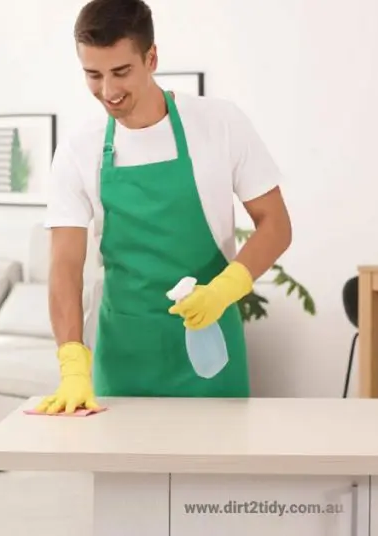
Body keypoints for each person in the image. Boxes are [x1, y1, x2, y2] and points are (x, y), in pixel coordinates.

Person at [35, 0, 293, 414]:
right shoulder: (78, 149)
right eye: (93, 75)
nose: (108, 91)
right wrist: (71, 360)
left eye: (121, 72)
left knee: (216, 473)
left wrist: (225, 289)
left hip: (210, 351)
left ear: (152, 57)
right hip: (123, 359)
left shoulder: (219, 123)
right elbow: (64, 264)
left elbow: (276, 224)